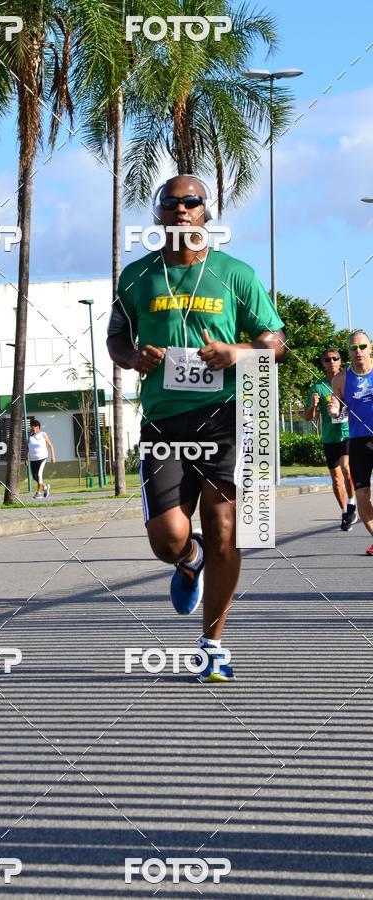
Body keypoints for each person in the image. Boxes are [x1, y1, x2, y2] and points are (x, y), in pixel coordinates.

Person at [107, 174, 286, 683]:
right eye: (173, 203)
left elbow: (275, 344)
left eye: (192, 202)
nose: (183, 210)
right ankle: (190, 559)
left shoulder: (234, 274)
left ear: (207, 212)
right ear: (160, 214)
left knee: (227, 529)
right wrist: (133, 356)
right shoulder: (138, 277)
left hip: (227, 416)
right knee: (167, 538)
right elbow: (116, 340)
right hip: (165, 422)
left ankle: (212, 643)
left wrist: (237, 353)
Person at [302, 348, 356, 531]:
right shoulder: (317, 387)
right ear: (323, 363)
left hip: (348, 433)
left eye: (335, 358)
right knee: (335, 479)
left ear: (340, 361)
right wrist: (314, 405)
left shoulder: (349, 382)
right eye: (327, 359)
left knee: (347, 469)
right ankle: (343, 512)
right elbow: (308, 417)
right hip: (329, 437)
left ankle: (351, 503)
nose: (332, 361)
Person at [330, 330, 373, 555]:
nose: (358, 352)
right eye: (354, 348)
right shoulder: (341, 379)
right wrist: (334, 410)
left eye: (363, 347)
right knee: (363, 494)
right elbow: (337, 414)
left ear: (370, 348)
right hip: (358, 441)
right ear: (348, 352)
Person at [28, 419, 56, 499]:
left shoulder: (43, 434)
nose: (31, 428)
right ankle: (45, 487)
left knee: (39, 475)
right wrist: (26, 459)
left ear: (37, 427)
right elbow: (27, 448)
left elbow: (50, 445)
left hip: (42, 458)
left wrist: (53, 456)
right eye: (31, 427)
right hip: (33, 459)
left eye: (32, 427)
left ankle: (38, 493)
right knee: (35, 477)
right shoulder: (30, 436)